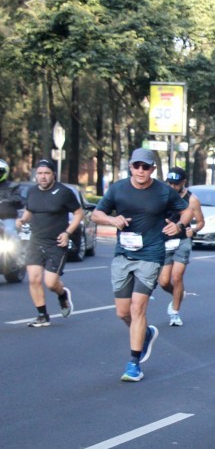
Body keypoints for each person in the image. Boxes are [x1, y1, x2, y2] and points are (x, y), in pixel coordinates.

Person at [92, 148, 192, 382]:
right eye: (136, 166)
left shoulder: (163, 191)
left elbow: (187, 210)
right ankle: (145, 333)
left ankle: (134, 363)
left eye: (145, 167)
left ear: (152, 169)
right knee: (123, 312)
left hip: (151, 254)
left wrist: (179, 225)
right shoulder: (118, 189)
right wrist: (111, 219)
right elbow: (96, 214)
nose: (140, 170)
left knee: (138, 308)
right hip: (123, 254)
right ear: (130, 167)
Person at [15, 160, 82, 327]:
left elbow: (79, 213)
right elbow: (30, 210)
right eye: (40, 173)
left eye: (46, 173)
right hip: (36, 241)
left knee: (51, 283)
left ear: (53, 175)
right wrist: (22, 220)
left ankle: (62, 295)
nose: (43, 177)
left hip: (56, 242)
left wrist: (67, 233)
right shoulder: (32, 192)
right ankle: (42, 315)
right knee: (34, 279)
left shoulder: (64, 192)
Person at [158, 167, 204, 327]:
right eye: (169, 183)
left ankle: (175, 312)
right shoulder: (161, 195)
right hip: (165, 240)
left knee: (177, 277)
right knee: (164, 281)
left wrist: (194, 230)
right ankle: (178, 294)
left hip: (182, 240)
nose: (172, 186)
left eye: (175, 184)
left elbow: (201, 222)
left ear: (184, 182)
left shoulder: (192, 199)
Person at [0, 159, 24, 239]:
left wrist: (6, 201)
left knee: (10, 232)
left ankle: (15, 247)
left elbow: (19, 199)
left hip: (7, 218)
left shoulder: (12, 186)